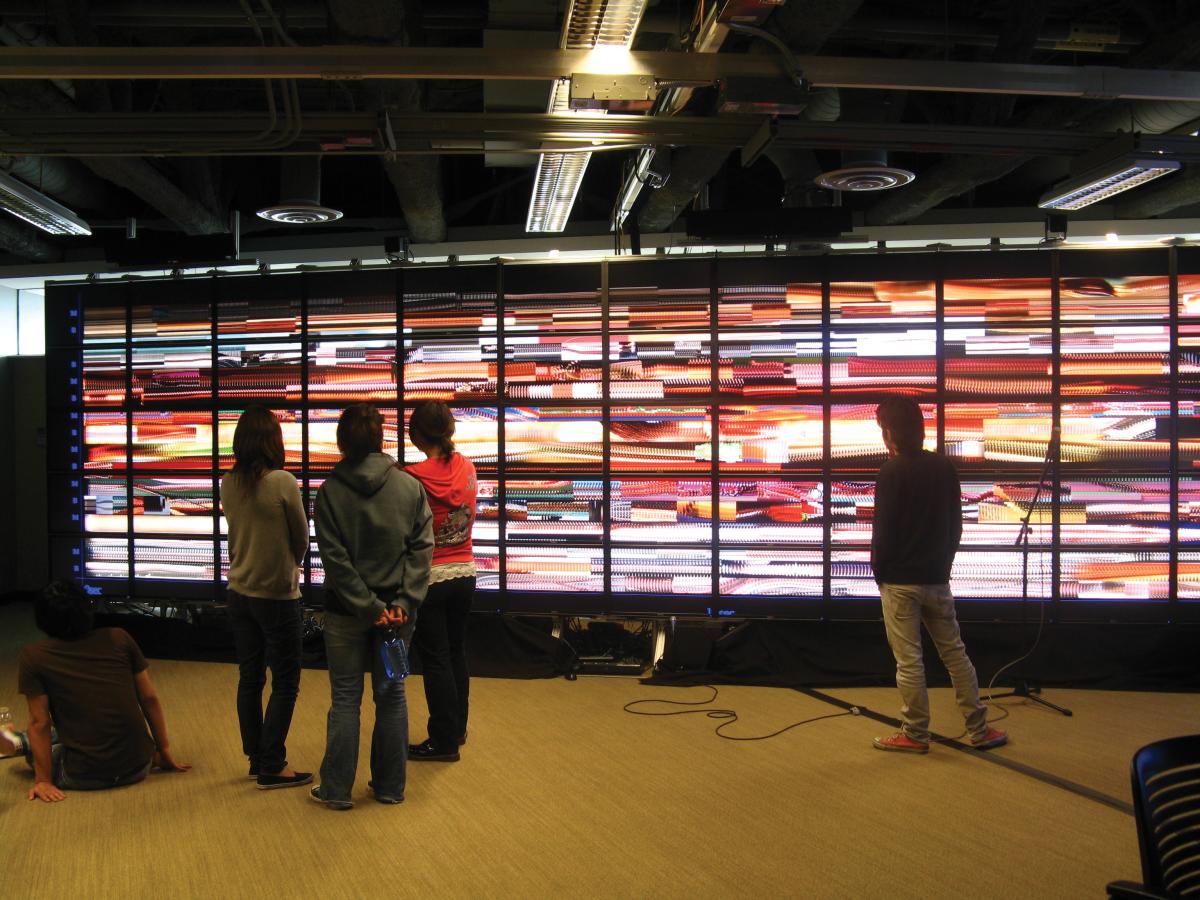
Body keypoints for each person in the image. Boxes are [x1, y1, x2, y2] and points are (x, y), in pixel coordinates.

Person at [311, 403, 434, 809]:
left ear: (341, 442)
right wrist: (402, 602)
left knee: (346, 698)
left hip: (347, 613)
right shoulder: (409, 487)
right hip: (398, 618)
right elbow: (422, 550)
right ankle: (389, 787)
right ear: (381, 439)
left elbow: (335, 560)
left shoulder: (329, 492)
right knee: (392, 695)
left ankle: (336, 791)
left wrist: (366, 606)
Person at [870, 396, 1008, 754]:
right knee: (955, 654)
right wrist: (943, 564)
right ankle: (979, 729)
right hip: (937, 577)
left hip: (900, 582)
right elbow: (956, 526)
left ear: (889, 432)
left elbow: (883, 533)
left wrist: (880, 574)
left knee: (909, 660)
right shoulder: (943, 467)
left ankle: (915, 734)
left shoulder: (891, 472)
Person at [12, 580, 191, 802]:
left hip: (82, 775)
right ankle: (17, 737)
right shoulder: (119, 637)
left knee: (41, 748)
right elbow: (149, 698)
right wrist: (163, 750)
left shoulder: (34, 656)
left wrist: (43, 781)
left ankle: (19, 741)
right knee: (69, 729)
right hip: (139, 766)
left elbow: (40, 723)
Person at [220, 405, 312, 790]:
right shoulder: (282, 482)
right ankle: (273, 764)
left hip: (239, 592)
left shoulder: (228, 482)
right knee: (286, 680)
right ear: (274, 441)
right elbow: (302, 540)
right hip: (277, 595)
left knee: (250, 678)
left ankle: (257, 758)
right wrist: (290, 564)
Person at [405, 401, 478, 763]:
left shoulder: (413, 476)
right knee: (455, 652)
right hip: (466, 570)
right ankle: (457, 728)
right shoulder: (467, 466)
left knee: (434, 660)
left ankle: (443, 740)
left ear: (415, 434)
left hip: (431, 576)